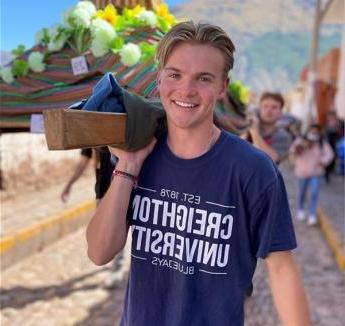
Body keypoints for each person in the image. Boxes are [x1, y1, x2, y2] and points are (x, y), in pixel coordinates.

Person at [86, 21, 311, 325]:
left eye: (203, 78)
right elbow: (100, 252)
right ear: (160, 78)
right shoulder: (137, 155)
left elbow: (282, 268)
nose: (186, 90)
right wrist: (127, 167)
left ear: (222, 86)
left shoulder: (254, 170)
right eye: (175, 74)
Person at [290, 124, 334, 226]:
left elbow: (330, 154)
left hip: (316, 172)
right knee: (302, 192)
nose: (314, 133)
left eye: (316, 131)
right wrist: (301, 147)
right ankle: (300, 209)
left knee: (314, 193)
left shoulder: (322, 143)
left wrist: (322, 161)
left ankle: (312, 214)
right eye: (312, 130)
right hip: (302, 172)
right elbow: (292, 151)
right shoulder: (300, 140)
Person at [248, 92, 293, 164]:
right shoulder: (246, 129)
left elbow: (272, 159)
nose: (269, 110)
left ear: (281, 112)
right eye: (265, 106)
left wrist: (254, 132)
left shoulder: (284, 136)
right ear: (260, 109)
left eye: (274, 107)